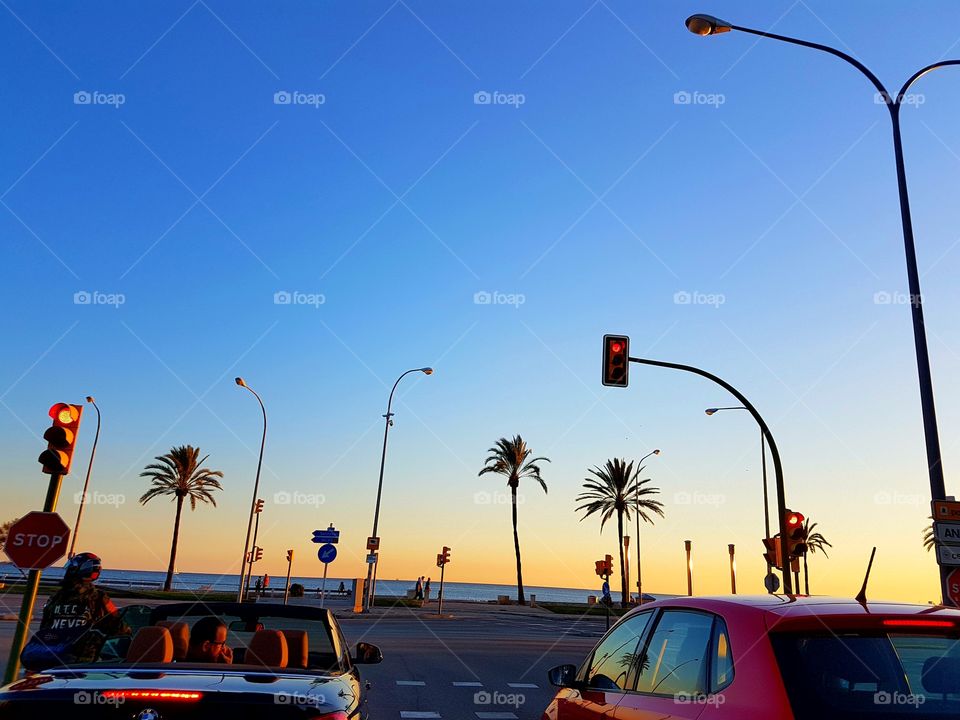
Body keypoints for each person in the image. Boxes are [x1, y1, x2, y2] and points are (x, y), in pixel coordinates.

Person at [20, 552, 128, 670]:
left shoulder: (55, 598)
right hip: (81, 661)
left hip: (51, 657)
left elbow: (45, 627)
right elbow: (118, 626)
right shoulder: (98, 598)